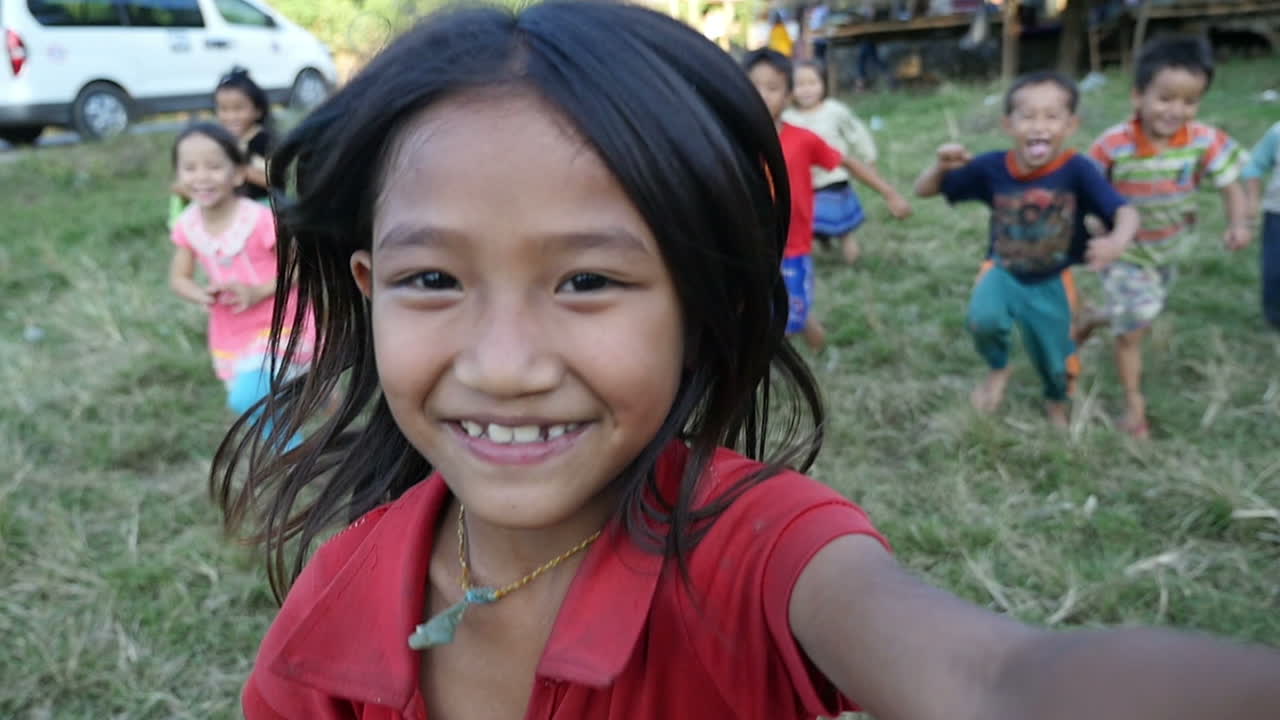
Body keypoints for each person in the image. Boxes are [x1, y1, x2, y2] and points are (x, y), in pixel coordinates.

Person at [213, 4, 1280, 718]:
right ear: (366, 290)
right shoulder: (337, 591)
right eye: (432, 282)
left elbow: (996, 678)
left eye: (586, 281)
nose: (501, 365)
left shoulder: (758, 549)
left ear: (707, 301)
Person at [914, 71, 1139, 426]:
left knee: (1055, 354)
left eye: (1052, 116)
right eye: (1028, 116)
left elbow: (1124, 211)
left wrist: (1116, 241)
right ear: (1008, 124)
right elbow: (924, 191)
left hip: (1052, 279)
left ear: (1071, 124)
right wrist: (940, 166)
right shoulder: (992, 168)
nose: (1039, 125)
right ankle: (998, 367)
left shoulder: (1079, 171)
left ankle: (1056, 400)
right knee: (983, 321)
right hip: (1002, 269)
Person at [1085, 36, 1249, 438]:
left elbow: (1230, 185)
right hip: (1125, 252)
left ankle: (1093, 317)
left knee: (1143, 311)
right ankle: (1134, 406)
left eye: (1189, 102)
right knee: (1136, 325)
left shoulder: (1203, 141)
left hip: (1169, 247)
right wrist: (1095, 231)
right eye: (1165, 98)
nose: (1176, 111)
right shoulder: (1112, 146)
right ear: (1138, 95)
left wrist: (1239, 223)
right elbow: (1085, 189)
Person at [745, 48, 912, 351]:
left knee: (785, 322)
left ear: (788, 96)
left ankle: (809, 344)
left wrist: (888, 192)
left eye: (772, 88)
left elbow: (846, 162)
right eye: (753, 85)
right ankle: (810, 336)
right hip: (751, 244)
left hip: (792, 245)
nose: (761, 95)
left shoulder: (802, 139)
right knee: (766, 307)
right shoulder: (734, 140)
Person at [167, 123, 311, 440]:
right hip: (233, 330)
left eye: (214, 166)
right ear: (178, 177)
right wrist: (201, 294)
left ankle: (295, 458)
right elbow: (179, 278)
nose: (202, 177)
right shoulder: (188, 225)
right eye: (190, 168)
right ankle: (318, 404)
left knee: (247, 398)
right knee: (266, 395)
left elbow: (302, 266)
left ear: (238, 174)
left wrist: (258, 290)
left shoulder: (259, 219)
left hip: (282, 321)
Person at [783, 59, 879, 264]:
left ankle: (853, 263)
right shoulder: (787, 118)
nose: (806, 90)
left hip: (833, 177)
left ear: (824, 83)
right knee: (811, 224)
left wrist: (869, 158)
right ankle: (820, 246)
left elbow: (857, 133)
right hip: (803, 184)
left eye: (812, 83)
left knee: (842, 227)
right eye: (800, 84)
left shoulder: (834, 111)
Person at [214, 67, 275, 203]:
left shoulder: (264, 141)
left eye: (238, 108)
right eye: (224, 109)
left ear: (258, 110)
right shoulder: (220, 141)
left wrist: (242, 171)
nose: (231, 116)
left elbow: (276, 180)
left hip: (263, 205)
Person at [1243, 118, 1280, 329]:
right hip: (1277, 214)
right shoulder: (1278, 132)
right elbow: (1254, 165)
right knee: (1275, 270)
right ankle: (1274, 319)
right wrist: (1252, 199)